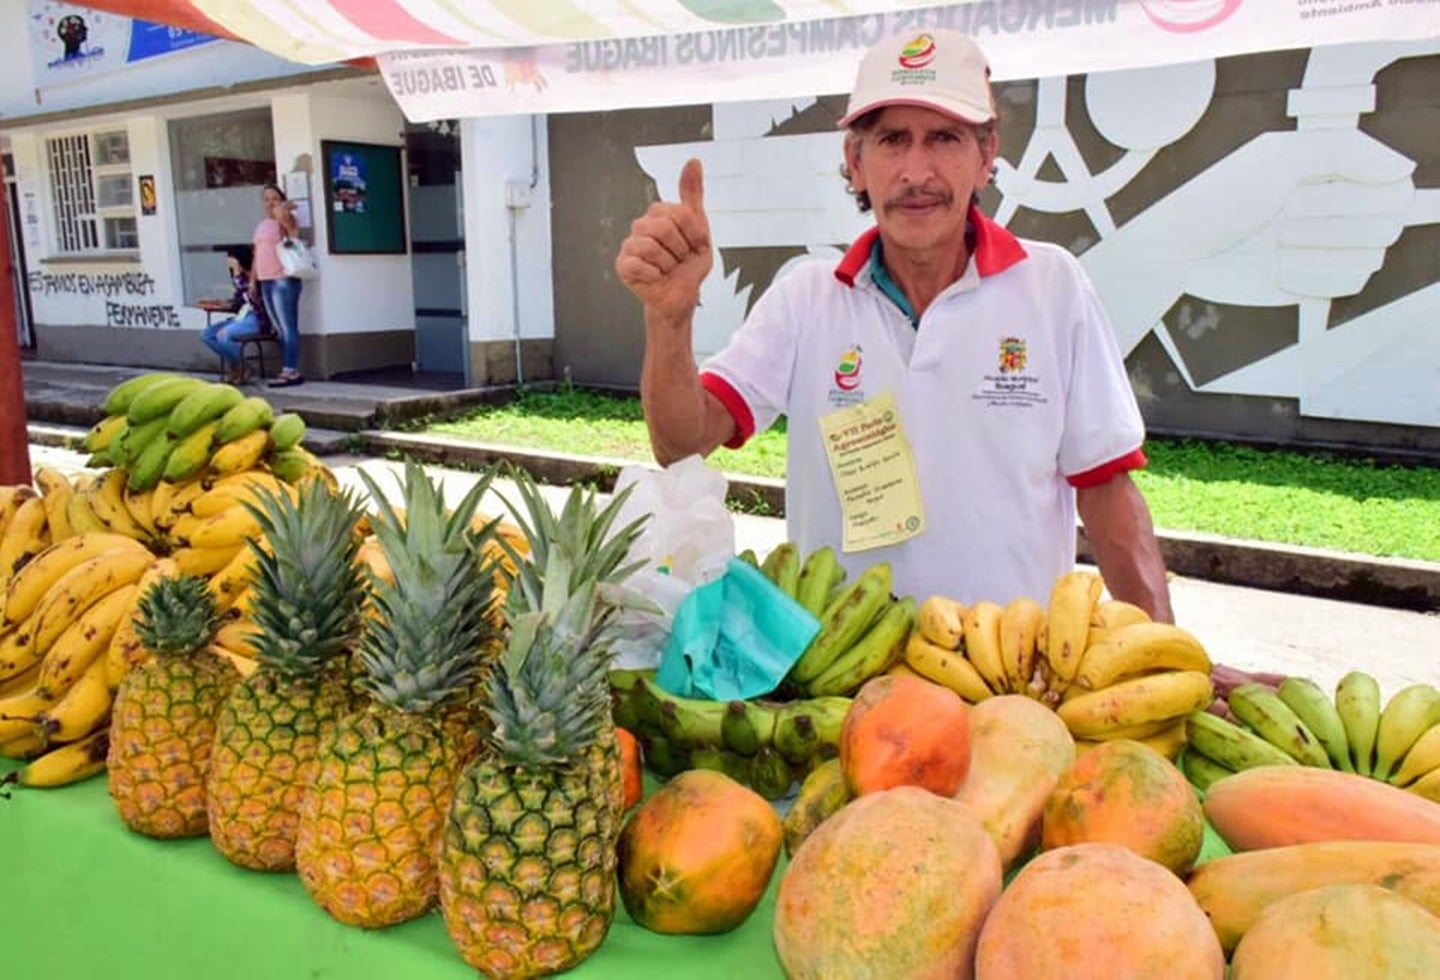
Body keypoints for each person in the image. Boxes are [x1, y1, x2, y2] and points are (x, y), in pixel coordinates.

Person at [616, 30, 1278, 696]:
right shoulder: (807, 300)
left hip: (1013, 683)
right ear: (855, 160)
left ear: (986, 154)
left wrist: (1166, 660)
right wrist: (668, 320)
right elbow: (681, 442)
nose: (916, 173)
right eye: (892, 139)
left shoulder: (1051, 287)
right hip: (843, 681)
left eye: (945, 138)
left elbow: (1107, 493)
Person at [252, 183, 305, 387]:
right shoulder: (262, 225)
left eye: (274, 198)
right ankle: (287, 368)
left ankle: (291, 371)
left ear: (281, 199)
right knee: (279, 329)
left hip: (284, 279)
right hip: (265, 280)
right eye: (266, 199)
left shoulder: (285, 221)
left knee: (288, 327)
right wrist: (252, 280)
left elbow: (289, 224)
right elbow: (257, 253)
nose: (270, 203)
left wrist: (282, 208)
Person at [199, 245, 270, 385]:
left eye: (231, 259)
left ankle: (242, 366)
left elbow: (254, 298)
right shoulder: (240, 278)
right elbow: (239, 300)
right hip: (241, 317)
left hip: (257, 318)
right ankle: (240, 365)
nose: (228, 262)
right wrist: (220, 303)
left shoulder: (256, 277)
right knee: (207, 335)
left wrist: (237, 273)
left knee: (223, 335)